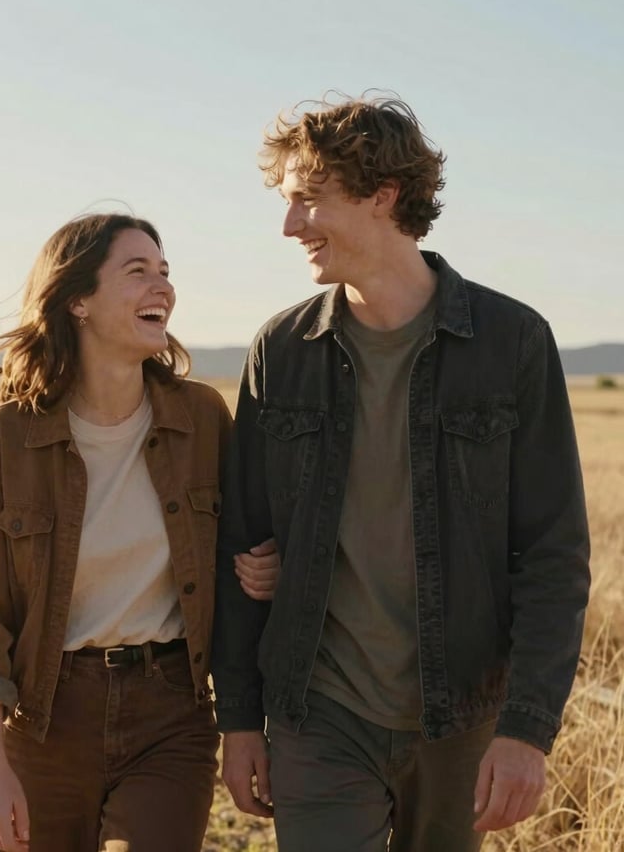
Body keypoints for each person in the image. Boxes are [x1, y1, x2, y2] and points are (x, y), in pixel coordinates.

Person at [211, 94, 591, 852]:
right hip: (316, 711)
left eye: (308, 202)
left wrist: (527, 731)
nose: (290, 227)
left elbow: (553, 552)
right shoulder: (279, 352)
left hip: (460, 717)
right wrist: (241, 720)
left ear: (382, 194)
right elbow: (242, 545)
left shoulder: (511, 342)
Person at [0, 212, 280, 852]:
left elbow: (244, 558)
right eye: (138, 271)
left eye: (166, 271)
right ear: (79, 302)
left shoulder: (202, 419)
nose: (164, 287)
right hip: (44, 721)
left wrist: (273, 566)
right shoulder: (7, 440)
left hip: (170, 712)